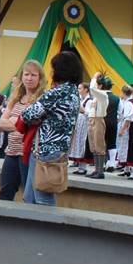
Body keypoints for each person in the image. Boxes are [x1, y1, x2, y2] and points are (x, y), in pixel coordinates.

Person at [18, 51, 83, 206]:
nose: (52, 72)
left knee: (42, 199)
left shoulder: (57, 93)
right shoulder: (74, 91)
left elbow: (27, 115)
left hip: (45, 149)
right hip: (60, 149)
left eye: (53, 68)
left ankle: (44, 230)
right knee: (30, 197)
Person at [0, 60, 46, 199]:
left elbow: (36, 125)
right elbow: (1, 124)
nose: (29, 78)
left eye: (33, 75)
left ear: (40, 78)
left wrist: (13, 122)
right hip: (11, 152)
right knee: (5, 193)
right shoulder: (15, 98)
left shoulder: (42, 99)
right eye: (26, 74)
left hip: (28, 153)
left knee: (29, 195)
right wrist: (22, 123)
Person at [85, 72, 110, 180]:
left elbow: (92, 88)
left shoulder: (103, 95)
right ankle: (96, 170)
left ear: (100, 86)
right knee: (93, 146)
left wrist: (94, 77)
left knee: (99, 146)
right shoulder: (97, 97)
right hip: (92, 120)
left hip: (98, 120)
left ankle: (100, 171)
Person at [69, 83, 91, 175]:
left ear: (86, 89)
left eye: (80, 88)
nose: (78, 90)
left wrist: (83, 110)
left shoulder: (89, 101)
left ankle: (83, 167)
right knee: (78, 143)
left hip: (85, 125)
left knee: (83, 144)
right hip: (79, 124)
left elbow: (90, 113)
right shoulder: (81, 100)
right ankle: (80, 166)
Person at [102, 76, 120, 170]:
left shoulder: (100, 97)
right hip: (113, 122)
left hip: (102, 122)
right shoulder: (117, 98)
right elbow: (120, 113)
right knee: (112, 143)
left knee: (102, 143)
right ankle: (112, 164)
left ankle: (103, 164)